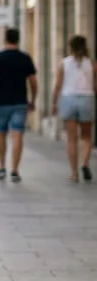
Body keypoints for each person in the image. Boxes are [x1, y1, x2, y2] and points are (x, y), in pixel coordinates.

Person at [0, 28, 37, 183]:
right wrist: (33, 100)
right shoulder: (25, 58)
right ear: (18, 40)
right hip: (20, 101)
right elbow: (33, 82)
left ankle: (1, 167)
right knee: (17, 134)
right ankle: (15, 170)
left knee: (1, 133)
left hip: (1, 102)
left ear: (5, 40)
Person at [52, 35, 96, 182]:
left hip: (68, 99)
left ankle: (74, 173)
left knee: (71, 138)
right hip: (86, 99)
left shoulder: (64, 63)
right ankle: (84, 163)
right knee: (86, 136)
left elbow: (58, 85)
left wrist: (54, 103)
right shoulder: (91, 63)